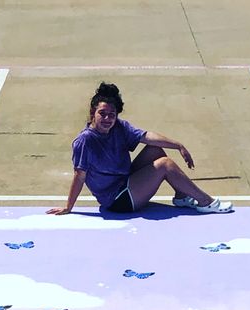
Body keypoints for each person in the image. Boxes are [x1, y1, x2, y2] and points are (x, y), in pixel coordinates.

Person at [46, 82, 232, 216]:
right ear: (92, 113)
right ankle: (206, 202)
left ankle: (182, 197)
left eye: (112, 114)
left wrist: (178, 145)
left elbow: (146, 136)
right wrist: (69, 207)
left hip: (125, 181)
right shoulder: (85, 140)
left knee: (155, 150)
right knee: (165, 165)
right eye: (102, 113)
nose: (107, 119)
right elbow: (80, 176)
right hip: (117, 200)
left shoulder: (119, 126)